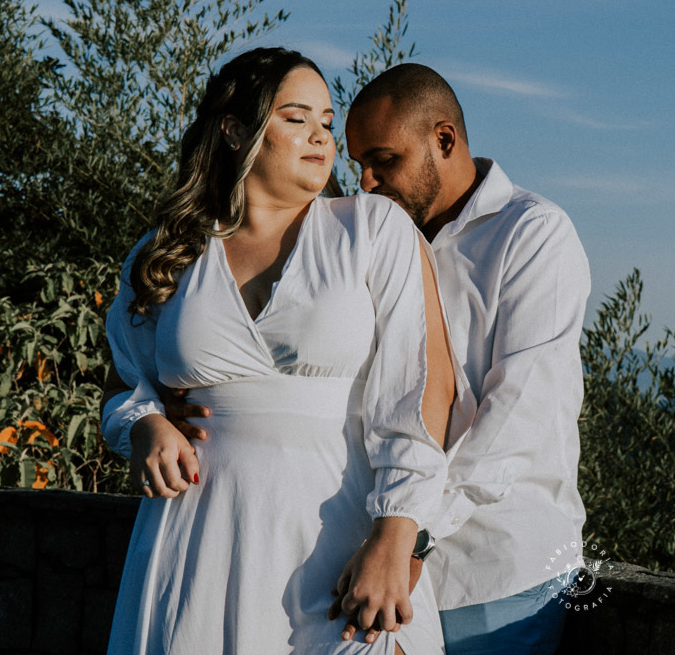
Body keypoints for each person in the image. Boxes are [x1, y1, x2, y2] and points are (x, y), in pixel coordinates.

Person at [99, 47, 458, 654]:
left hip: (338, 544)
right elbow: (125, 380)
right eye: (296, 118)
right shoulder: (167, 252)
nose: (320, 136)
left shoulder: (372, 229)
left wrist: (396, 535)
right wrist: (144, 426)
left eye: (325, 120)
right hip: (195, 542)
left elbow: (421, 389)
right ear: (236, 130)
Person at [342, 64, 591, 653]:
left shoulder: (534, 235)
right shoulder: (379, 243)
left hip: (498, 573)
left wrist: (410, 532)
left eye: (384, 162)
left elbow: (517, 419)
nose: (367, 185)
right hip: (386, 564)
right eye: (359, 168)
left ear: (444, 140)